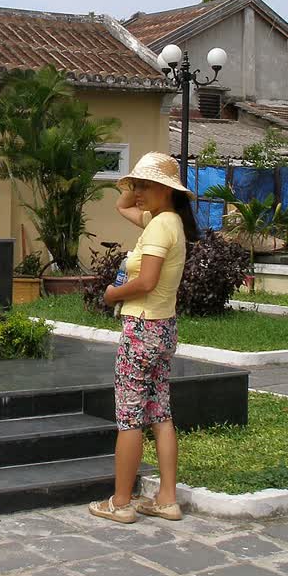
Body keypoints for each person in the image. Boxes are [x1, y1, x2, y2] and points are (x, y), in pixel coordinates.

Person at [89, 151, 198, 524]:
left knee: (129, 416)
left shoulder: (159, 226)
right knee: (160, 412)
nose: (137, 193)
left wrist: (112, 294)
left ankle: (120, 503)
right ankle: (167, 499)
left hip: (142, 329)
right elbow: (123, 207)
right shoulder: (168, 221)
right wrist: (134, 183)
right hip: (163, 328)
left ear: (165, 190)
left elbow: (147, 281)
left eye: (145, 186)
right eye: (136, 185)